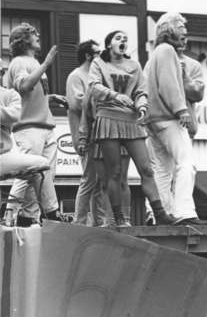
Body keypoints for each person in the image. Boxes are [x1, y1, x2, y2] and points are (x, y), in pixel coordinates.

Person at [85, 30, 175, 226]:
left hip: (131, 120)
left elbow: (142, 90)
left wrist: (142, 104)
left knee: (146, 168)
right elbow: (93, 87)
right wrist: (115, 96)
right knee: (115, 172)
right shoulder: (98, 63)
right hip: (108, 118)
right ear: (109, 44)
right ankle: (119, 218)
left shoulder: (134, 66)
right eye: (118, 38)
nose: (123, 41)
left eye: (125, 39)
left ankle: (160, 214)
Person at [145, 12, 205, 225]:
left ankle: (159, 214)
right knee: (186, 163)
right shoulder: (168, 52)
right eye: (181, 28)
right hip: (169, 118)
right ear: (169, 30)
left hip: (152, 120)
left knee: (162, 169)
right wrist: (181, 110)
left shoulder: (153, 55)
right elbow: (169, 83)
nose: (185, 33)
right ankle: (184, 212)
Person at [5, 23, 64, 225]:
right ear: (23, 40)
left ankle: (28, 216)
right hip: (29, 127)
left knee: (41, 174)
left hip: (43, 125)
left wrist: (50, 97)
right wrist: (47, 63)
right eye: (32, 33)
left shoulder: (32, 62)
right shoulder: (19, 62)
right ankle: (14, 212)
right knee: (30, 171)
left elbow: (30, 96)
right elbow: (24, 86)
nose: (38, 34)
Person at [77, 75, 132, 226]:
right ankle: (110, 219)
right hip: (99, 136)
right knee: (104, 183)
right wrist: (83, 138)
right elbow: (85, 113)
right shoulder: (93, 88)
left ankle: (124, 219)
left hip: (122, 134)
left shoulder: (123, 82)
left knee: (121, 179)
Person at [66, 39, 109, 226]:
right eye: (98, 53)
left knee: (99, 181)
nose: (102, 56)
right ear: (88, 56)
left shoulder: (96, 76)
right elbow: (76, 104)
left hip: (99, 134)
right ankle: (80, 221)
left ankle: (100, 222)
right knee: (90, 179)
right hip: (85, 136)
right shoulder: (76, 76)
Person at [0, 85, 52, 226]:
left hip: (3, 155)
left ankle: (49, 215)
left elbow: (14, 115)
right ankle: (13, 214)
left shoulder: (10, 94)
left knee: (41, 164)